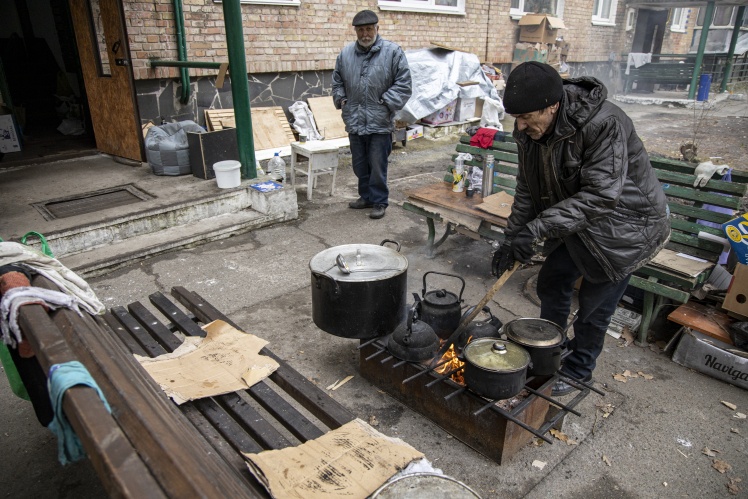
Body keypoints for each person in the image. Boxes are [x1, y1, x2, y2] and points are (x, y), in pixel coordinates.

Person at [492, 62, 670, 396]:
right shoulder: (530, 129)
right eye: (515, 117)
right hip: (577, 221)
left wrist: (539, 229)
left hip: (624, 229)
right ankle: (547, 349)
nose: (520, 125)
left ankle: (578, 371)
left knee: (593, 308)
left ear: (552, 105)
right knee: (553, 281)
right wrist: (513, 238)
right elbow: (527, 189)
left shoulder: (604, 123)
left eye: (527, 117)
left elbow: (602, 195)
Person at [332, 9, 412, 219]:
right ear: (356, 32)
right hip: (354, 119)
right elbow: (337, 81)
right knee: (359, 164)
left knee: (377, 164)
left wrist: (385, 102)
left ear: (377, 28)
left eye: (369, 29)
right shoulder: (345, 54)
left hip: (380, 120)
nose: (365, 34)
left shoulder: (393, 52)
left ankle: (379, 201)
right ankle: (365, 197)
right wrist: (341, 100)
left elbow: (404, 84)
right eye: (360, 30)